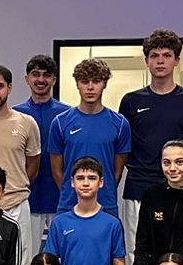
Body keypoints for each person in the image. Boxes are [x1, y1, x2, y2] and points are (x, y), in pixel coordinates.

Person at [116, 29, 183, 250]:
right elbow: (123, 147)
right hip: (138, 188)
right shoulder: (130, 101)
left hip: (178, 189)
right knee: (135, 250)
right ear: (146, 60)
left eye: (166, 55)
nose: (160, 61)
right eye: (154, 55)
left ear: (176, 60)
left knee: (175, 250)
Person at [47, 58, 129, 219]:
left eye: (96, 81)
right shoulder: (60, 122)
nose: (90, 87)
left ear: (104, 84)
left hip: (105, 204)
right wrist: (72, 191)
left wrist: (102, 189)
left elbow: (117, 171)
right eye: (85, 82)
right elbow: (57, 169)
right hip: (69, 204)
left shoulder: (120, 124)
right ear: (77, 84)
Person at [16, 53, 70, 250]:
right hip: (26, 199)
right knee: (26, 256)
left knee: (63, 255)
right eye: (35, 74)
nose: (41, 80)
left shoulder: (67, 115)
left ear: (54, 79)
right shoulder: (15, 115)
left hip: (60, 199)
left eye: (47, 75)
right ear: (27, 79)